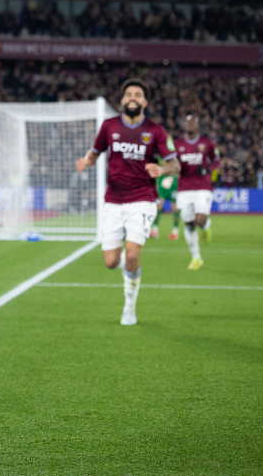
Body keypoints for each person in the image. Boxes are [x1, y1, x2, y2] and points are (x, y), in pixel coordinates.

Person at [76, 78, 179, 326]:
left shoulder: (155, 130)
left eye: (138, 95)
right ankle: (129, 266)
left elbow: (175, 164)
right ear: (123, 100)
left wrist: (162, 170)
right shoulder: (109, 126)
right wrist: (86, 161)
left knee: (132, 255)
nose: (133, 98)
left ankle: (129, 308)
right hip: (113, 201)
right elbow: (96, 151)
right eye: (129, 94)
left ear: (145, 102)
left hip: (142, 199)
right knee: (111, 262)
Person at [174, 114, 221, 269]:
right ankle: (196, 258)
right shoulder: (177, 144)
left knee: (199, 219)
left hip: (203, 187)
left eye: (193, 122)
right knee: (188, 223)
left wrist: (209, 170)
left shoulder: (207, 143)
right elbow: (172, 163)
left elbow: (217, 161)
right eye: (187, 122)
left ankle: (206, 224)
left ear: (198, 125)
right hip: (184, 188)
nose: (190, 124)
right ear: (183, 125)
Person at [152, 162, 179, 240]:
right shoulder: (158, 154)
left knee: (175, 208)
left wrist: (172, 176)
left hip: (173, 182)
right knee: (158, 206)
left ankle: (175, 232)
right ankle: (155, 230)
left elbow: (176, 167)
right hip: (162, 182)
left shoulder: (172, 155)